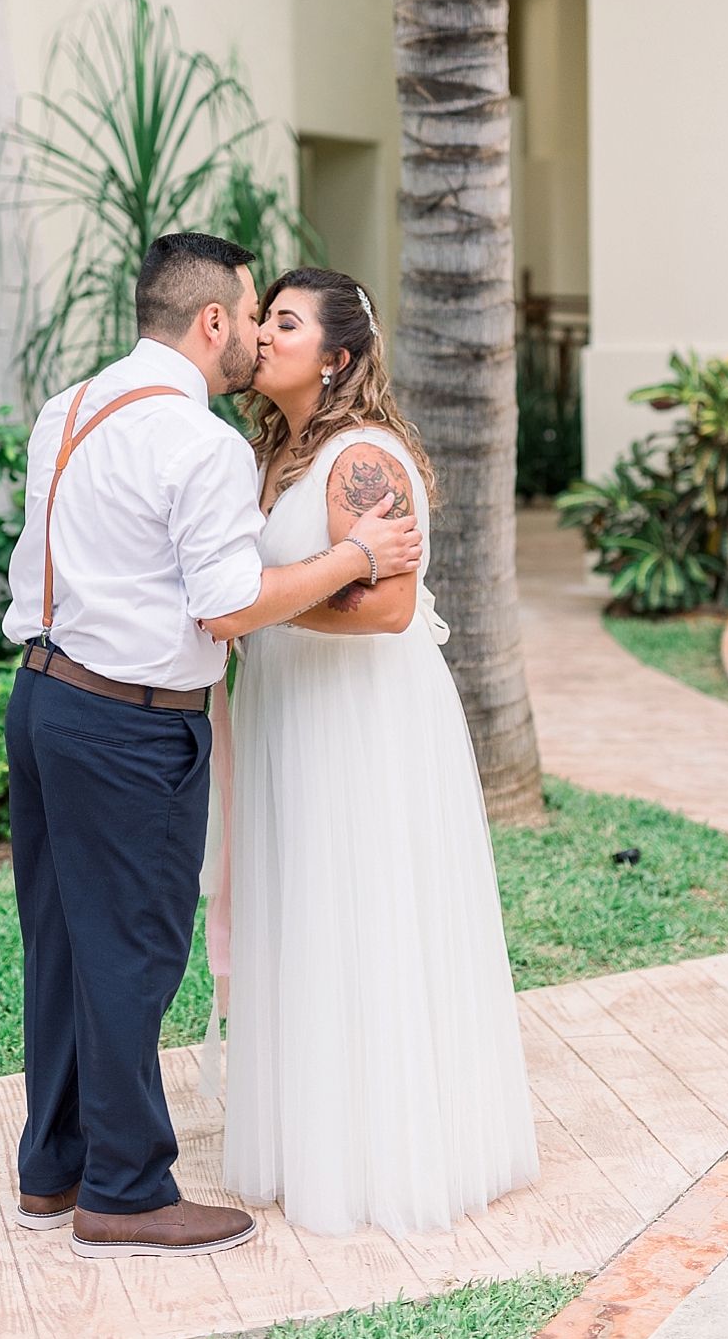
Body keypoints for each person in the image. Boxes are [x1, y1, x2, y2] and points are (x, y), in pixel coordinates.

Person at [1, 235, 423, 1260]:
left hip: (43, 699)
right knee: (133, 952)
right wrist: (357, 554)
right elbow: (227, 606)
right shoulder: (200, 444)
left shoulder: (70, 409)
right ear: (211, 324)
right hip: (130, 724)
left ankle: (53, 1167)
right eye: (249, 310)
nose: (255, 329)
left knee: (60, 941)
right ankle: (129, 1192)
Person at [204, 268, 538, 1238]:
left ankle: (382, 1152)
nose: (263, 334)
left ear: (337, 357)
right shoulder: (277, 455)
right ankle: (313, 1127)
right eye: (264, 316)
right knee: (305, 910)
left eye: (287, 321)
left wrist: (265, 605)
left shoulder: (361, 457)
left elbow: (389, 607)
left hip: (359, 721)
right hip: (290, 708)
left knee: (365, 909)